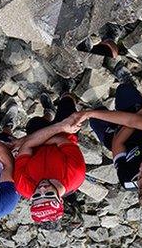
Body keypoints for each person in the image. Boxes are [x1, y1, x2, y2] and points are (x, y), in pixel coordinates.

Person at [70, 76, 142, 215]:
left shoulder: (129, 182)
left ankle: (97, 107)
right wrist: (89, 113)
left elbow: (117, 143)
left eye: (139, 178)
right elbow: (133, 120)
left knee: (95, 121)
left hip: (121, 137)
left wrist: (94, 114)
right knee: (124, 91)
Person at [11, 93, 86, 224]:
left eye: (37, 196)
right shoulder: (76, 174)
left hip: (37, 137)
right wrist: (34, 141)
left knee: (34, 122)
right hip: (64, 133)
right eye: (49, 194)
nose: (42, 189)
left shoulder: (23, 187)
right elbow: (61, 140)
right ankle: (67, 95)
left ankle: (49, 113)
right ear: (60, 199)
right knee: (67, 103)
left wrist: (33, 141)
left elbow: (26, 146)